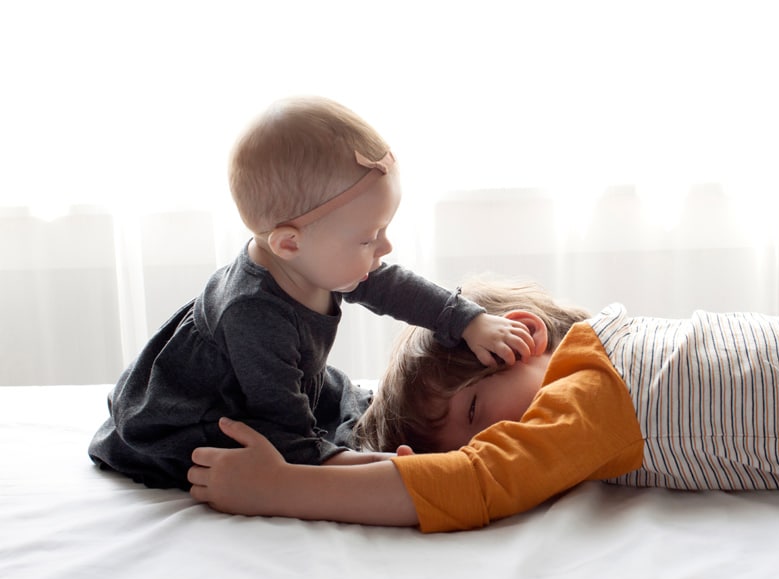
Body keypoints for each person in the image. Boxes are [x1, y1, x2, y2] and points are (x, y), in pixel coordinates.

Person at [187, 277, 779, 532]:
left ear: (521, 341)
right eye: (468, 439)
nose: (492, 441)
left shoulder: (591, 399)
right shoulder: (613, 347)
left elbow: (470, 487)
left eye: (474, 415)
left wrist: (282, 486)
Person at [89, 98, 535, 491]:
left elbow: (394, 287)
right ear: (288, 242)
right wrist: (355, 468)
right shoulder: (253, 315)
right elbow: (281, 424)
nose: (385, 248)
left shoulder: (310, 258)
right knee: (246, 455)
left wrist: (467, 319)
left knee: (338, 396)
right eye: (369, 237)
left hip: (273, 385)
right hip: (204, 409)